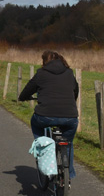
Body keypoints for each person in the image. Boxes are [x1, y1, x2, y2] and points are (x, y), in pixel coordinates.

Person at [17, 50, 79, 181]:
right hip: (70, 117)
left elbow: (28, 89)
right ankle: (69, 174)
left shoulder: (41, 73)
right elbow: (75, 90)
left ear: (44, 61)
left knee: (35, 123)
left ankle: (43, 151)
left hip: (45, 116)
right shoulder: (69, 73)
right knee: (68, 143)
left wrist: (23, 97)